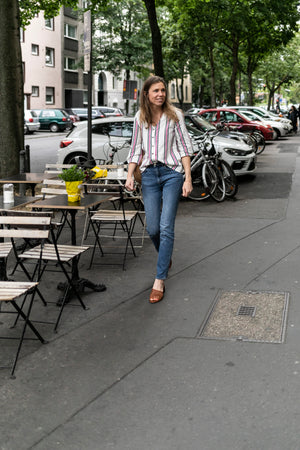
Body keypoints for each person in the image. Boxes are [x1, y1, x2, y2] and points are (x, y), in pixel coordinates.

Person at [125, 75, 193, 303]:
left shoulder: (175, 116)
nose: (160, 94)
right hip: (149, 176)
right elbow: (135, 149)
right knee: (153, 228)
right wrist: (129, 175)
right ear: (146, 94)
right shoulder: (139, 117)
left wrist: (188, 178)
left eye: (163, 90)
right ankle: (166, 256)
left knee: (166, 227)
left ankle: (159, 278)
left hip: (172, 173)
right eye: (155, 90)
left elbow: (184, 147)